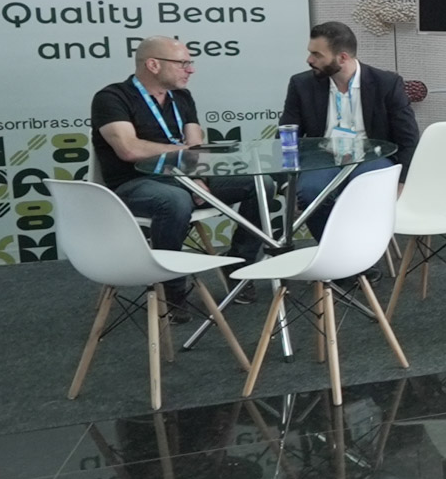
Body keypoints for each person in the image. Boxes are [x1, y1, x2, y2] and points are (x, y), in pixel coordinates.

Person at [90, 36, 263, 316]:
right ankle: (172, 290)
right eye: (183, 63)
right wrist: (184, 158)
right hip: (134, 184)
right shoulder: (112, 98)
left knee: (260, 183)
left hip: (183, 179)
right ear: (153, 64)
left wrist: (196, 177)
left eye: (190, 63)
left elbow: (196, 149)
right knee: (175, 200)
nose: (191, 69)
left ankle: (238, 264)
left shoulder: (181, 97)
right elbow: (129, 149)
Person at [279, 21, 420, 238]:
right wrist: (287, 183)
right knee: (309, 193)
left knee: (367, 191)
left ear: (342, 57)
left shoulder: (386, 83)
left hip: (373, 156)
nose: (309, 60)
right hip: (323, 158)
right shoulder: (301, 84)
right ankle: (334, 251)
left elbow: (408, 137)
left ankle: (362, 253)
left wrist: (402, 182)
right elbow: (287, 135)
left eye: (317, 55)